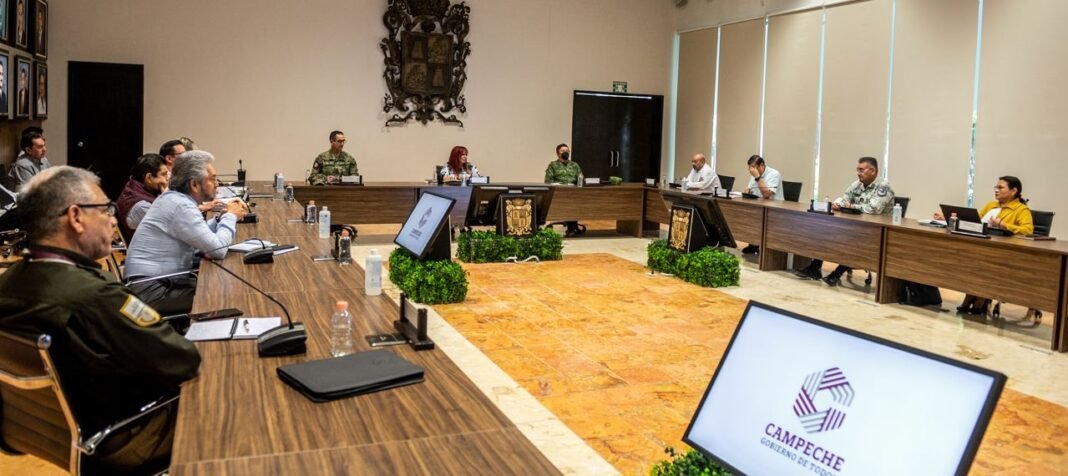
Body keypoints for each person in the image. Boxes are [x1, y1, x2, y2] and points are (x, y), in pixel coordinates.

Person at [0, 166, 200, 473]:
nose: (113, 219)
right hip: (125, 435)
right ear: (76, 217)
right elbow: (182, 360)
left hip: (55, 433)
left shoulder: (7, 283)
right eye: (105, 209)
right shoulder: (93, 296)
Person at [125, 150, 247, 315]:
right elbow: (217, 249)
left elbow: (199, 234)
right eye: (212, 179)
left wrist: (220, 219)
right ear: (194, 184)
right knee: (221, 292)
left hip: (157, 283)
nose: (217, 184)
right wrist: (231, 216)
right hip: (151, 290)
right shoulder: (180, 205)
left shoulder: (175, 199)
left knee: (219, 283)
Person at [939, 176, 1034, 316]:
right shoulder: (991, 205)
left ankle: (979, 299)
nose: (996, 190)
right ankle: (972, 296)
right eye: (996, 187)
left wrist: (1003, 224)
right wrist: (949, 218)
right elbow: (975, 221)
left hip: (1004, 252)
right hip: (984, 246)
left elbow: (1028, 230)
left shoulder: (1021, 209)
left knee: (982, 264)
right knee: (970, 262)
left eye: (1000, 187)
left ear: (1014, 191)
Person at [795, 157, 895, 286]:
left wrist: (851, 206)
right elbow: (844, 200)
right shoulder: (856, 185)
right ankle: (815, 268)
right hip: (858, 226)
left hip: (878, 232)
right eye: (857, 170)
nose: (858, 173)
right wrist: (839, 205)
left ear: (872, 170)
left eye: (861, 170)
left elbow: (874, 209)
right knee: (827, 232)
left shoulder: (884, 187)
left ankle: (836, 274)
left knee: (853, 241)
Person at [116, 154, 169, 243]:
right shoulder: (141, 206)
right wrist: (167, 197)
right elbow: (170, 230)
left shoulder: (134, 186)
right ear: (149, 178)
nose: (167, 179)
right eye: (163, 174)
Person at [741, 155, 784, 254]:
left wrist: (758, 177)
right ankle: (753, 244)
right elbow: (750, 189)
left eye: (753, 167)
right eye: (750, 167)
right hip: (759, 206)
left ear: (761, 165)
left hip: (775, 208)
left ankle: (764, 248)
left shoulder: (774, 174)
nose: (751, 170)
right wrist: (747, 191)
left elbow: (767, 195)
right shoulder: (754, 175)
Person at [544, 143, 584, 236]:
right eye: (563, 151)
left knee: (573, 202)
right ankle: (572, 228)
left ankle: (573, 228)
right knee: (569, 203)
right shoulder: (553, 165)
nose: (565, 152)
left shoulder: (574, 165)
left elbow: (581, 178)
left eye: (567, 151)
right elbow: (548, 181)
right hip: (559, 193)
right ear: (558, 153)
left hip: (574, 193)